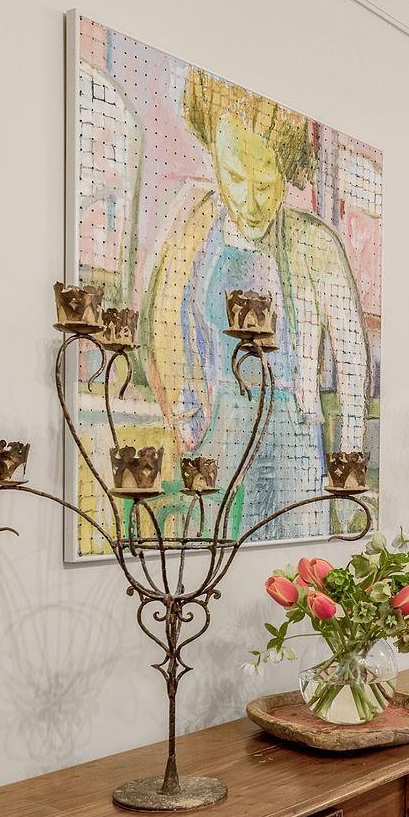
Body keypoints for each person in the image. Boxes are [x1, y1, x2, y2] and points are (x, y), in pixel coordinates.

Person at [140, 68, 371, 539]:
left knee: (296, 565)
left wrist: (348, 476)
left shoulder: (315, 245)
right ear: (215, 161)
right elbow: (161, 327)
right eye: (235, 176)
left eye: (265, 183)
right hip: (216, 437)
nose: (249, 199)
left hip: (294, 439)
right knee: (213, 558)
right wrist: (186, 423)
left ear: (286, 174)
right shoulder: (192, 229)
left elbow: (352, 365)